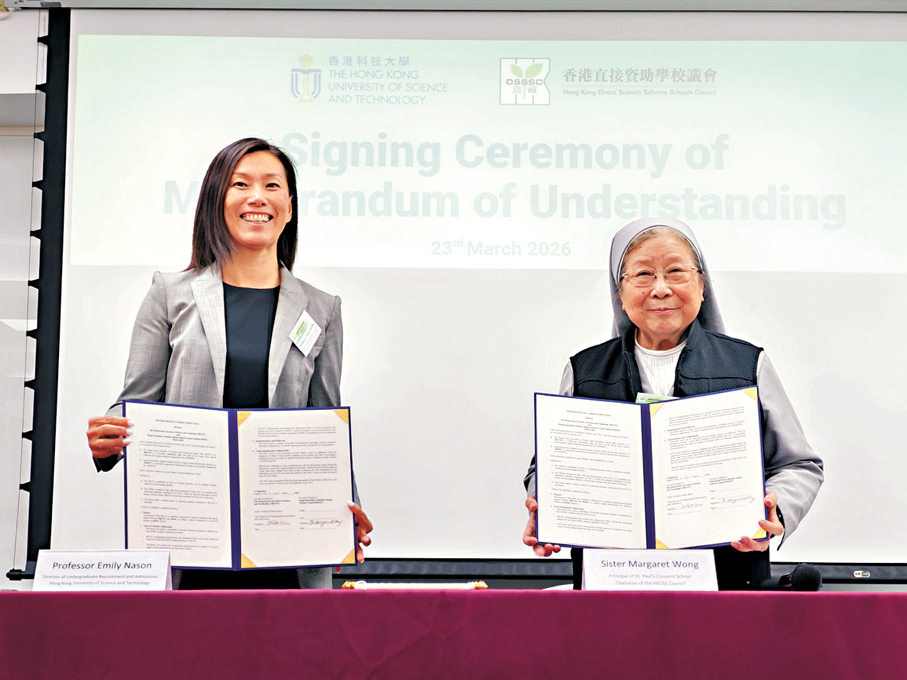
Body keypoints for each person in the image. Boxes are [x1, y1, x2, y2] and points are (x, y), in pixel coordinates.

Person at [86, 137, 372, 589]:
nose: (258, 197)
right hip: (189, 539)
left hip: (287, 546)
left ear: (290, 207)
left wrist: (344, 512)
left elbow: (324, 425)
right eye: (241, 184)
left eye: (272, 186)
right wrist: (107, 436)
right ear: (216, 200)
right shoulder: (169, 294)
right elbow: (136, 403)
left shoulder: (322, 309)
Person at [522, 217, 824, 590]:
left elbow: (799, 465)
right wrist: (546, 506)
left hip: (728, 581)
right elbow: (550, 467)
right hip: (613, 581)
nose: (661, 289)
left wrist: (774, 508)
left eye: (676, 272)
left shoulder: (748, 365)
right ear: (620, 292)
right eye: (643, 275)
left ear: (702, 286)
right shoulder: (584, 370)